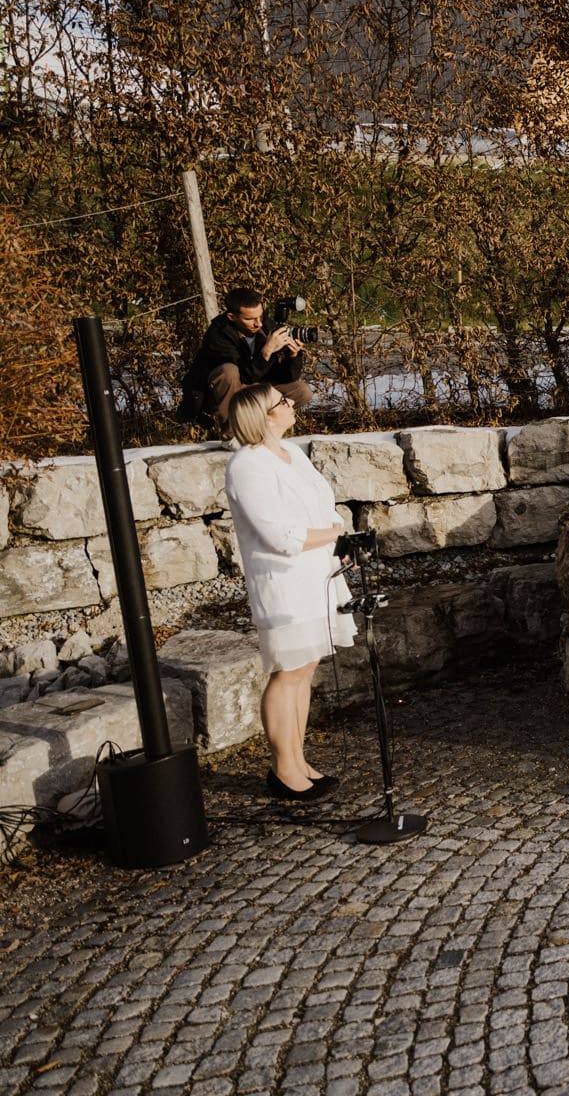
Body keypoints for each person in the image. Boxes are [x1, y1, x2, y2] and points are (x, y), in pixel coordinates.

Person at [223, 382, 355, 800]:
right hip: (284, 582)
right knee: (287, 672)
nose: (290, 403)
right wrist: (333, 536)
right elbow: (279, 533)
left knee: (306, 668)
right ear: (262, 416)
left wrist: (341, 540)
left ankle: (298, 760)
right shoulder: (247, 465)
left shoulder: (291, 453)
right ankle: (283, 770)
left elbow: (322, 504)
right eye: (281, 401)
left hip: (317, 574)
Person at [180, 288, 312, 430]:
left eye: (260, 316)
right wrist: (267, 351)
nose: (258, 323)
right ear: (232, 317)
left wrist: (293, 355)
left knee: (302, 391)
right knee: (229, 371)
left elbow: (287, 377)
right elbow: (244, 376)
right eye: (250, 319)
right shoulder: (218, 335)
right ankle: (232, 433)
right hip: (220, 394)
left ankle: (263, 430)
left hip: (254, 386)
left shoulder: (266, 325)